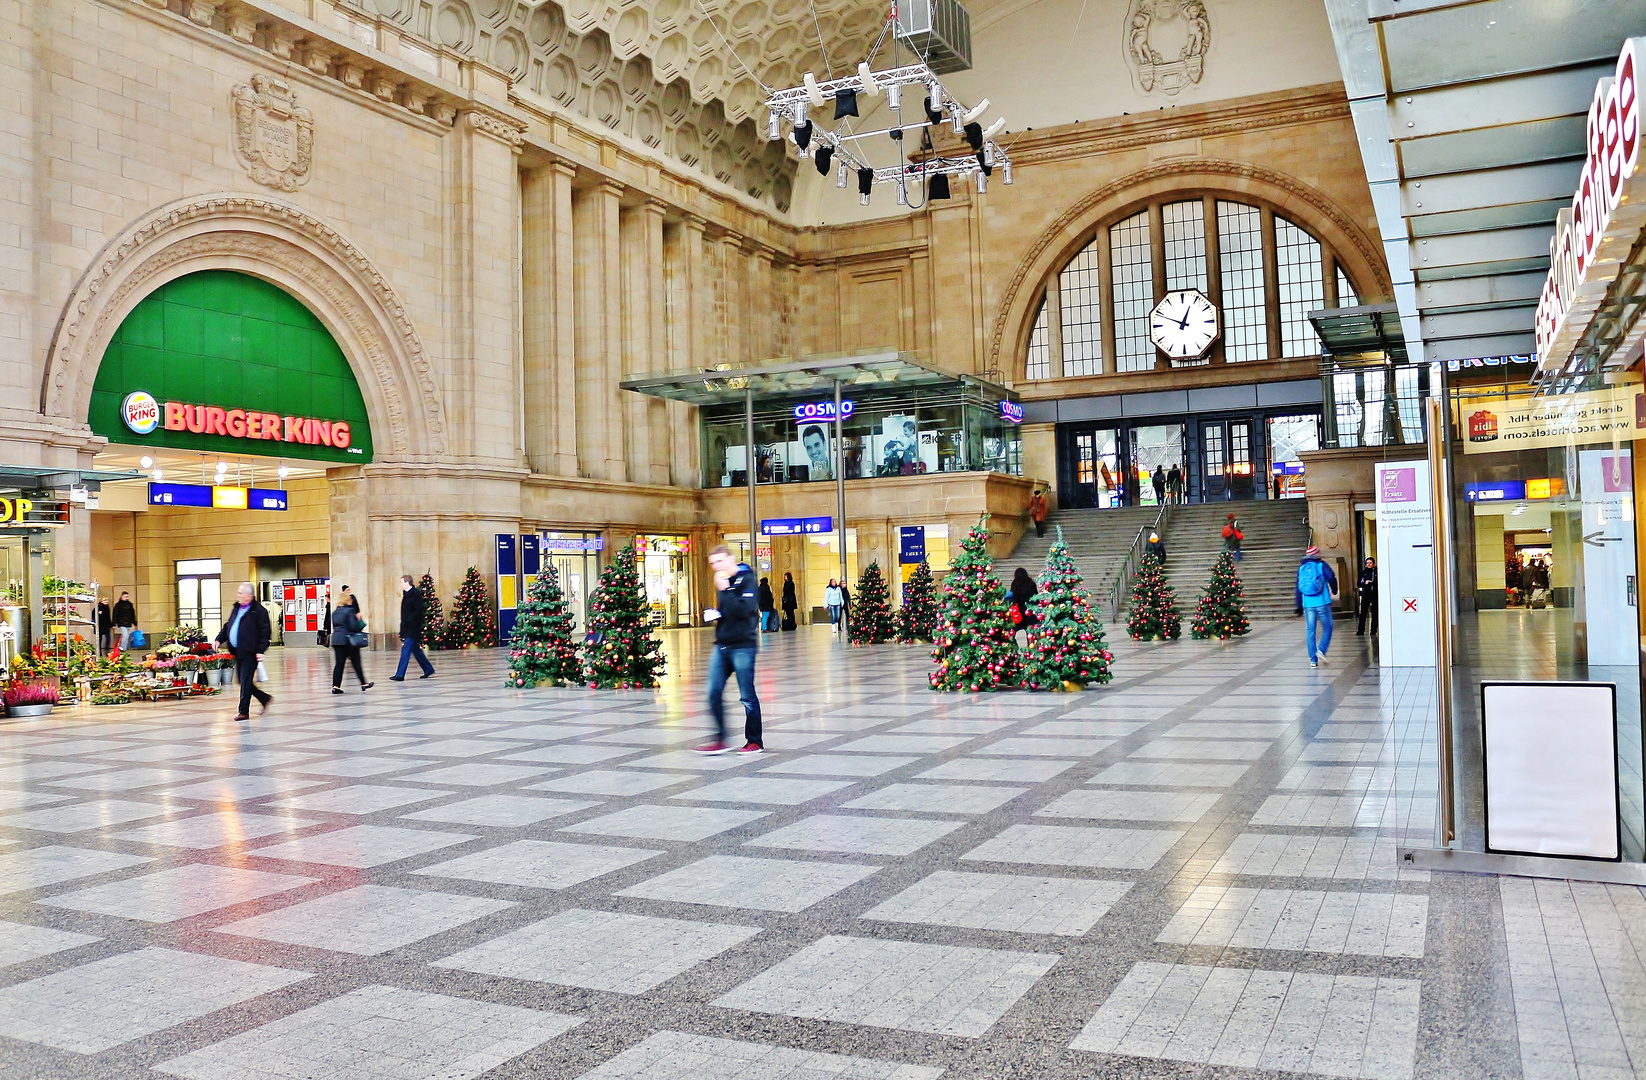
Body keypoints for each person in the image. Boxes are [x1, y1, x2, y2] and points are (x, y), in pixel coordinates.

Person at [694, 544, 763, 755]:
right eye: (713, 563)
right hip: (723, 644)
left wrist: (727, 589)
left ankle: (754, 741)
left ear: (731, 559)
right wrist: (716, 613)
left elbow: (746, 609)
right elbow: (729, 610)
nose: (716, 567)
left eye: (720, 561)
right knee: (712, 691)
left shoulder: (747, 579)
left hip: (743, 646)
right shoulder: (722, 580)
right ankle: (720, 738)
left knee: (747, 696)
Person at [215, 582, 271, 721]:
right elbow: (228, 626)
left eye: (241, 593)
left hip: (250, 652)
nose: (238, 595)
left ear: (250, 596)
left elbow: (265, 632)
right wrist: (218, 639)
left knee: (245, 682)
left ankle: (243, 711)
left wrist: (260, 650)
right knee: (242, 681)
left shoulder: (258, 611)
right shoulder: (237, 608)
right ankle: (264, 698)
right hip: (238, 651)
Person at [1295, 544, 1339, 667]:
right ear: (1317, 555)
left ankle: (1313, 660)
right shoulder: (1321, 565)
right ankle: (1321, 650)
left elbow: (1297, 588)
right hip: (1322, 602)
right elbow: (1331, 577)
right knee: (1328, 627)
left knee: (1310, 630)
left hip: (1307, 604)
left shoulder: (1301, 568)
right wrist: (1334, 590)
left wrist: (1298, 605)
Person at [390, 573, 435, 680]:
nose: (401, 584)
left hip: (413, 628)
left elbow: (418, 611)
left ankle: (400, 674)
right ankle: (428, 669)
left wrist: (410, 620)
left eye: (402, 582)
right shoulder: (406, 595)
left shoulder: (415, 594)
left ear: (407, 582)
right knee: (416, 650)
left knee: (405, 649)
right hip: (407, 627)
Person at [330, 586, 374, 693]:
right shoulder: (349, 611)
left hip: (337, 640)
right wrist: (360, 622)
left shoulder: (335, 612)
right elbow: (354, 626)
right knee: (356, 663)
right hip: (349, 641)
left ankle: (336, 686)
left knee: (339, 664)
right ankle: (364, 683)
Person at [1009, 567, 1039, 638]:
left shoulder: (1014, 584)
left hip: (1019, 609)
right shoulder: (1031, 584)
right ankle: (1030, 645)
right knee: (1030, 631)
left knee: (1015, 628)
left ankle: (1013, 643)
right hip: (1030, 609)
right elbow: (1035, 596)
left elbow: (1014, 596)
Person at [1356, 557, 1378, 636]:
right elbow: (1359, 583)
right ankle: (1361, 630)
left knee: (1375, 612)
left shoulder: (1376, 572)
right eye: (1367, 563)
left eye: (1370, 563)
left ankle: (1373, 630)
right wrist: (1365, 583)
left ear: (1373, 564)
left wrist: (1373, 582)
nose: (1368, 564)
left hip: (1375, 594)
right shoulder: (1363, 572)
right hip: (1366, 594)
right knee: (1363, 612)